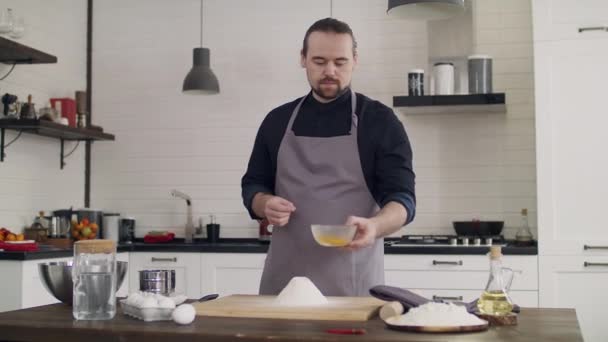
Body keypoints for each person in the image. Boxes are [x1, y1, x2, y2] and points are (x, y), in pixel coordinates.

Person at [241, 17, 416, 296]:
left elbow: (403, 199)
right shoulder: (277, 121)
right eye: (319, 61)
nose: (330, 71)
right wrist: (264, 203)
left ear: (355, 60)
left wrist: (374, 226)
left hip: (352, 286)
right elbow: (253, 185)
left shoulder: (379, 121)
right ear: (303, 59)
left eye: (340, 62)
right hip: (284, 286)